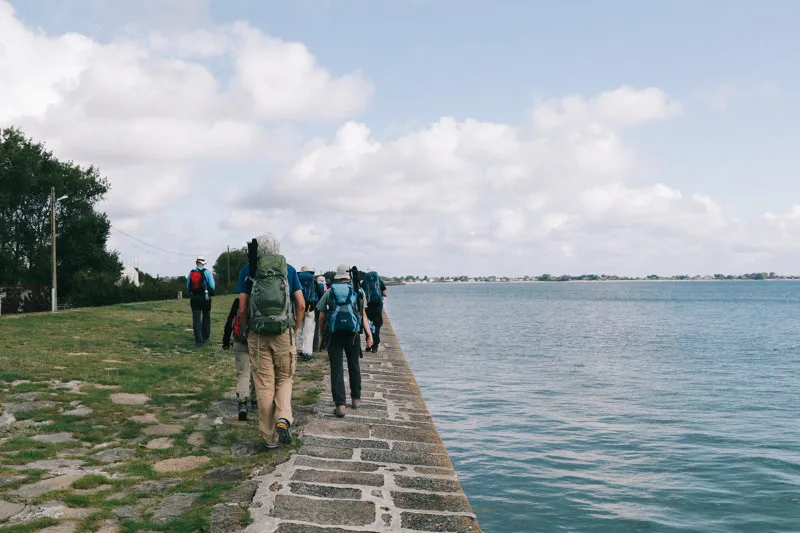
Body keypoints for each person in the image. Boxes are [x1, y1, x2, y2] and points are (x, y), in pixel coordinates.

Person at [236, 233, 305, 448]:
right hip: (283, 332)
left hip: (257, 334)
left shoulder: (248, 270)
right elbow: (301, 304)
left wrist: (247, 330)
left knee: (264, 384)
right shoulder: (289, 270)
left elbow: (242, 307)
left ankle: (269, 437)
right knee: (285, 377)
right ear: (277, 249)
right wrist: (294, 327)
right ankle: (283, 417)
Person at [318, 264, 373, 418]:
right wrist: (369, 335)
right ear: (348, 277)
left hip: (334, 334)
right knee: (354, 365)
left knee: (336, 368)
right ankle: (356, 399)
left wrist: (322, 336)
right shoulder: (358, 291)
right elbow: (363, 315)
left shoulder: (330, 292)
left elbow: (322, 317)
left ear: (337, 277)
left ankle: (340, 405)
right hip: (353, 334)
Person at [222, 296, 256, 421]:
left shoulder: (238, 301)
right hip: (258, 342)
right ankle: (255, 399)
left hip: (240, 341)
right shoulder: (262, 299)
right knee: (258, 372)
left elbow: (229, 320)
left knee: (243, 373)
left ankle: (242, 402)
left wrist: (225, 341)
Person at [186, 257, 215, 347]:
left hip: (194, 298)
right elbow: (212, 286)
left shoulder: (191, 273)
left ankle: (198, 340)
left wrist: (192, 294)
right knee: (206, 317)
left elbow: (188, 287)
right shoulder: (207, 273)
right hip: (205, 297)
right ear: (203, 263)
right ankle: (205, 338)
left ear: (196, 263)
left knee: (196, 319)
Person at [297, 266, 324, 361]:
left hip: (298, 307)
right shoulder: (313, 280)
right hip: (310, 308)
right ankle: (307, 352)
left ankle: (298, 349)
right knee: (309, 331)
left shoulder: (297, 278)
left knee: (299, 328)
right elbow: (320, 294)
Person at [361, 267, 387, 353]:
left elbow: (361, 294)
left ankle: (368, 344)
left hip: (367, 306)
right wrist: (381, 294)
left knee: (367, 325)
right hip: (377, 307)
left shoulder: (364, 281)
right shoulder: (379, 281)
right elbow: (385, 293)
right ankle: (375, 346)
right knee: (377, 325)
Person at [314, 275, 328, 351]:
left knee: (316, 326)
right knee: (325, 324)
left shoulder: (315, 285)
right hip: (324, 307)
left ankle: (315, 345)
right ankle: (324, 344)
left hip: (316, 307)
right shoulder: (325, 286)